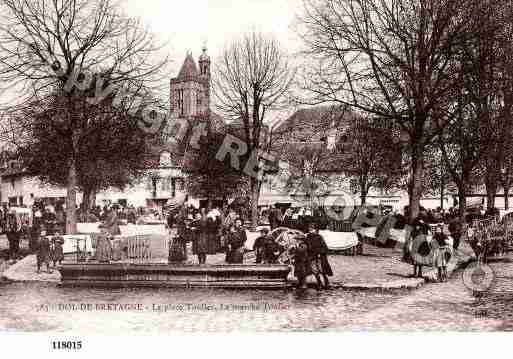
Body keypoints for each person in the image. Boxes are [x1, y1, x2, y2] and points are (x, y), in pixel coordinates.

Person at [306, 223, 332, 289]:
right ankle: (319, 282)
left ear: (316, 230)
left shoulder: (319, 237)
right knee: (314, 270)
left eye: (312, 229)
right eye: (310, 228)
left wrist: (320, 252)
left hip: (319, 255)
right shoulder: (308, 237)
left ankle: (326, 282)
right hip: (312, 256)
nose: (310, 230)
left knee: (322, 270)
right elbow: (307, 245)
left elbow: (324, 247)